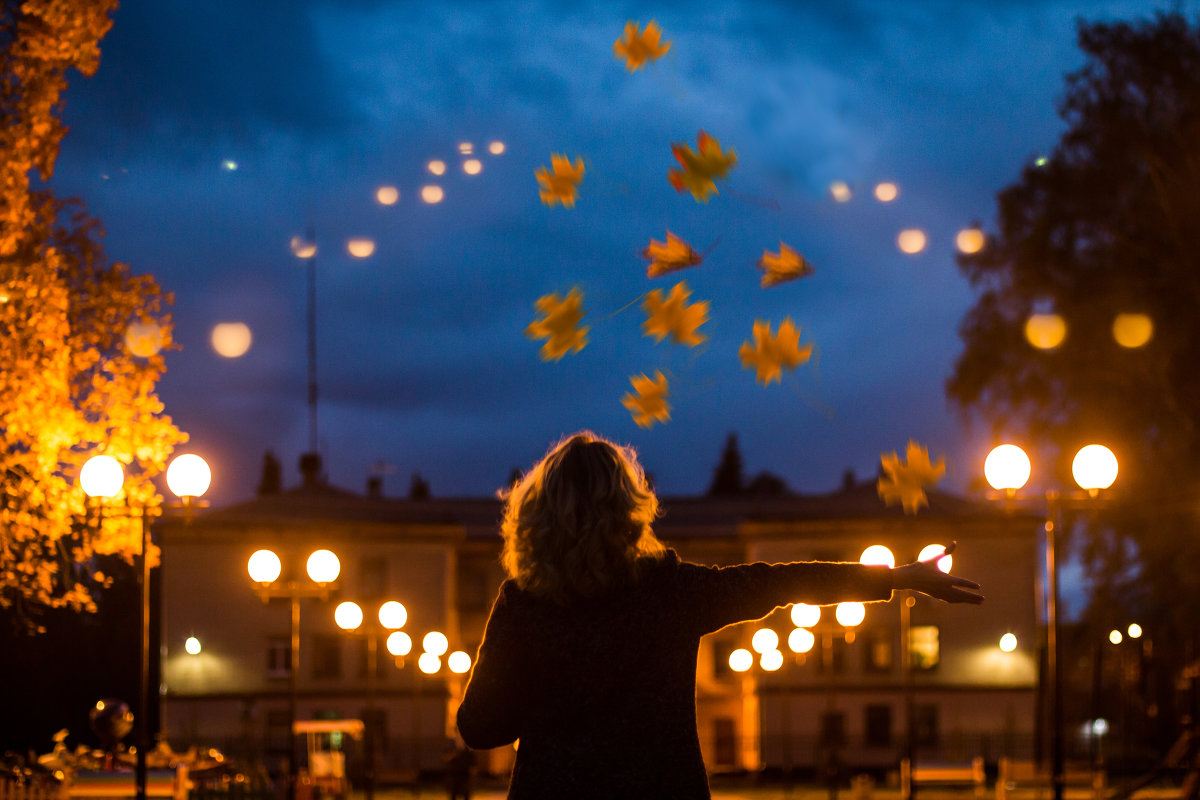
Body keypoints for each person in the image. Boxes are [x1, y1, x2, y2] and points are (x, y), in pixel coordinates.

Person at [456, 431, 983, 800]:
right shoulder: (671, 593)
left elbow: (478, 727)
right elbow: (780, 581)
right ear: (630, 511)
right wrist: (895, 577)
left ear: (536, 517)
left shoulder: (523, 604)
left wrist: (552, 702)